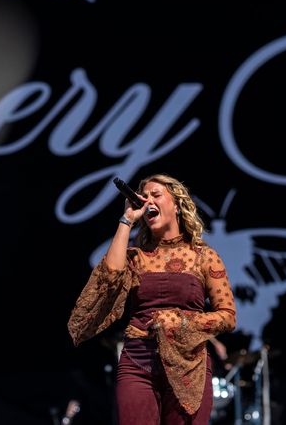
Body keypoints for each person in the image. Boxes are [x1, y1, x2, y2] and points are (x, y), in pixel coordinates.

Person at [68, 173, 237, 424]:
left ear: (177, 204)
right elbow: (110, 277)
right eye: (143, 198)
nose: (148, 202)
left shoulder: (204, 256)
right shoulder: (137, 257)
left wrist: (180, 322)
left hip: (188, 365)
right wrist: (126, 220)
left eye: (156, 195)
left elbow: (228, 317)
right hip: (138, 361)